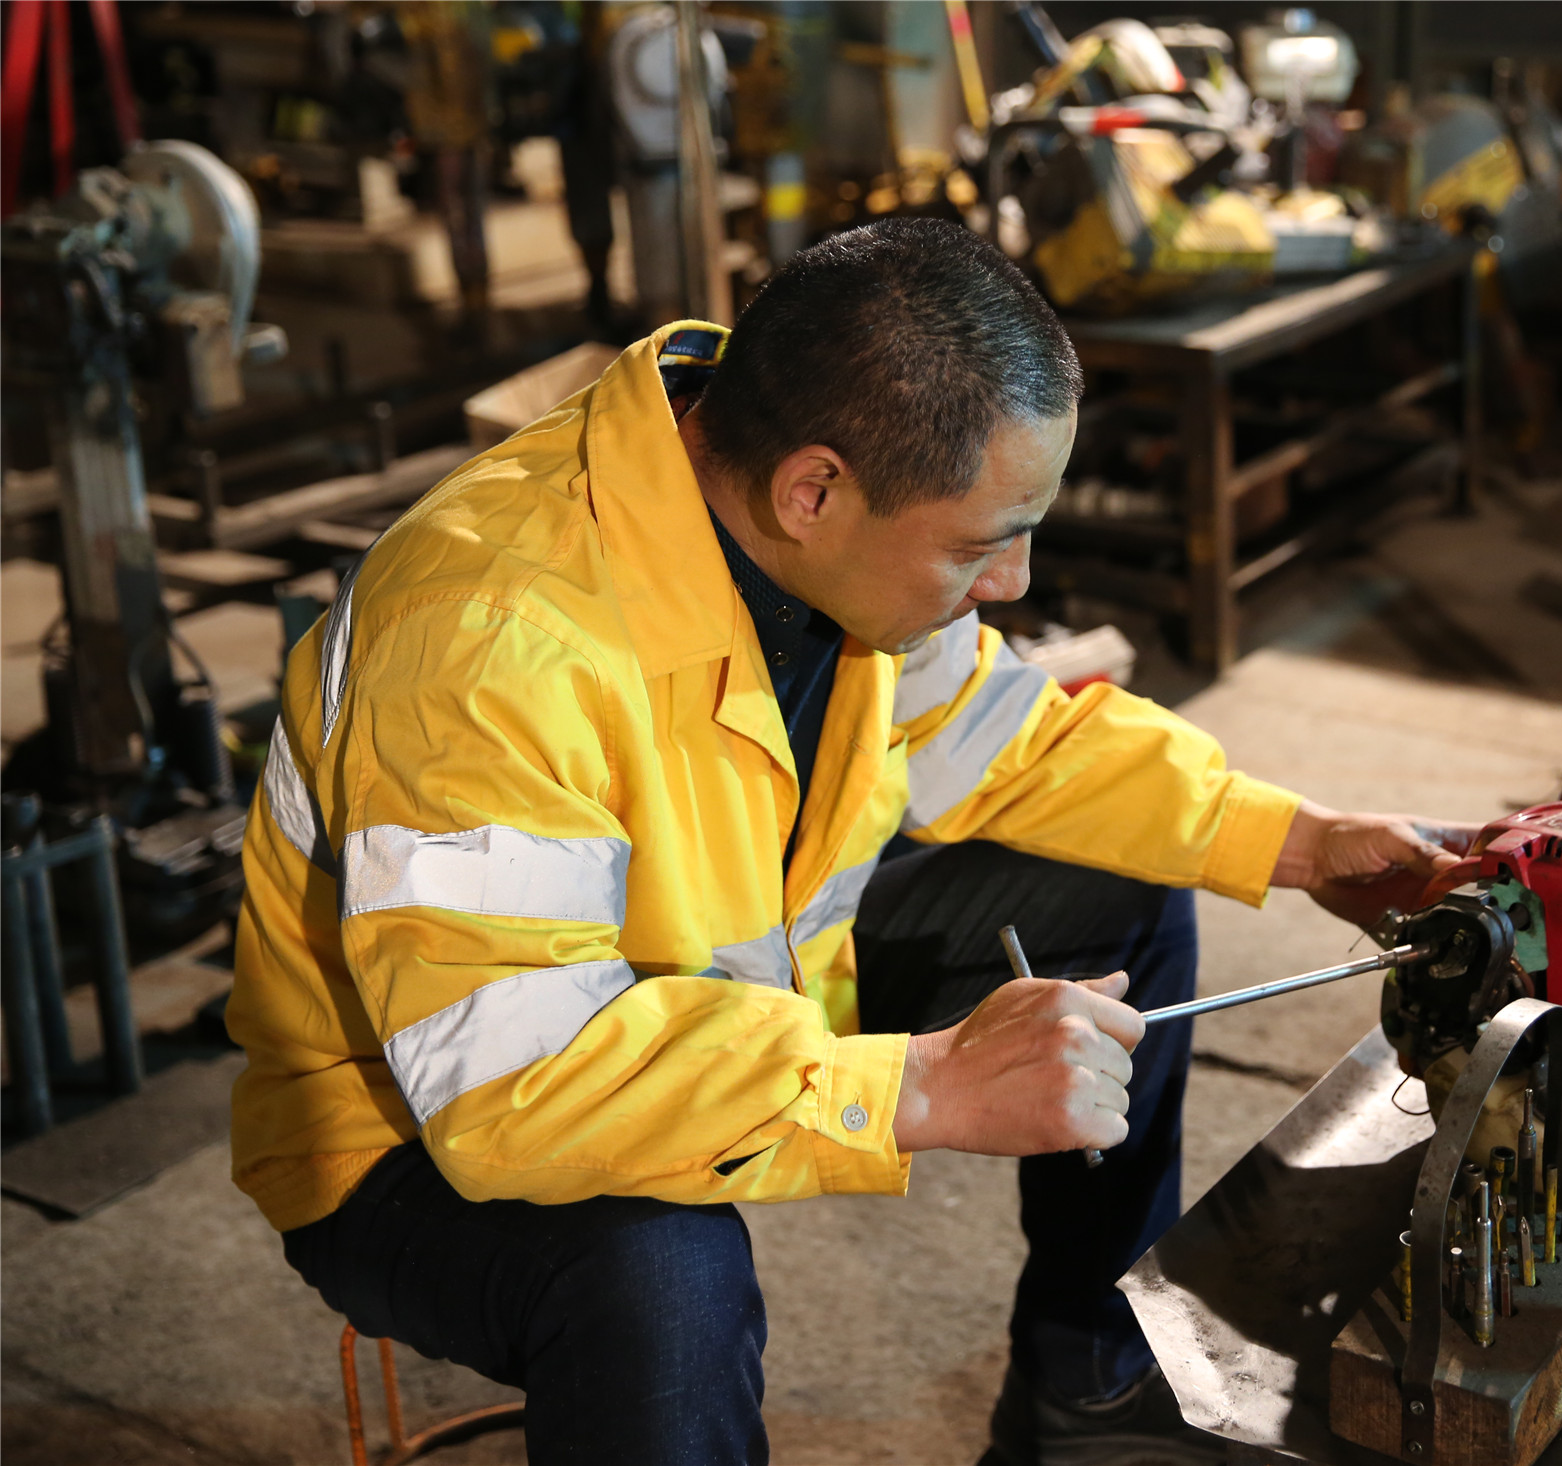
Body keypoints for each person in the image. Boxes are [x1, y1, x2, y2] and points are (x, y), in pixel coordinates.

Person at [229, 218, 1472, 1466]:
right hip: (408, 1115)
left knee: (1126, 898)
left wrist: (1306, 844)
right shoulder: (491, 640)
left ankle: (1079, 1391)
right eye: (982, 542)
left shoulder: (803, 521)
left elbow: (1013, 747)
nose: (1015, 582)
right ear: (813, 489)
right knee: (661, 1276)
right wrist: (918, 1085)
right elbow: (511, 1090)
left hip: (714, 987)